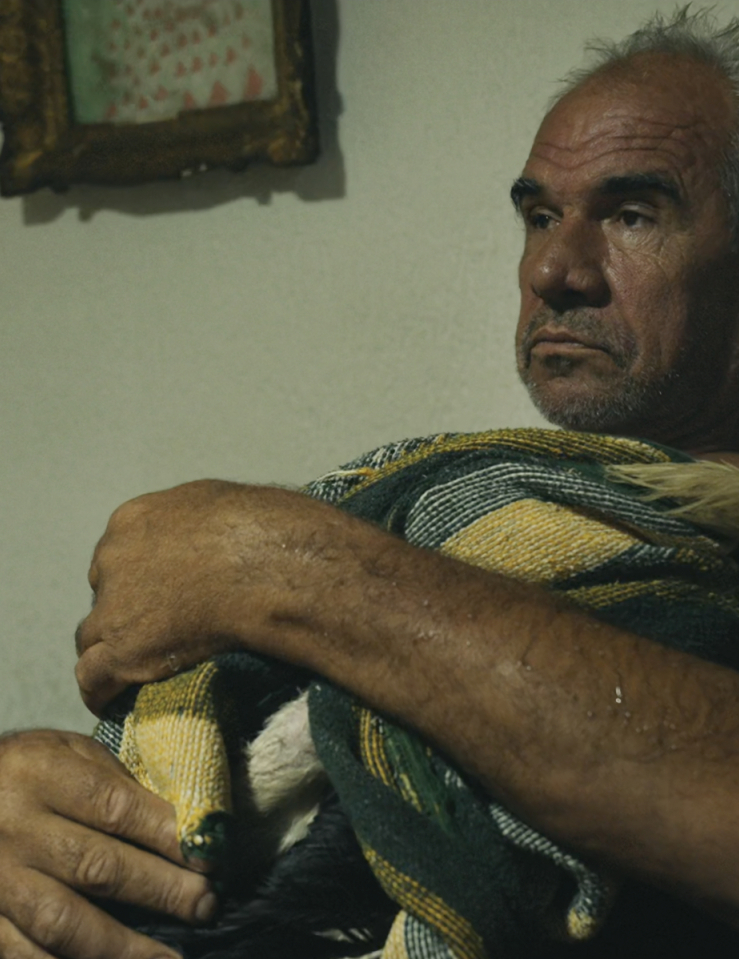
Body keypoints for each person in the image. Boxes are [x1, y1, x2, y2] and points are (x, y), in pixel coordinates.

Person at [3, 7, 739, 958]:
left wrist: (286, 569)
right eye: (539, 216)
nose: (555, 270)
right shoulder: (467, 506)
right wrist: (42, 805)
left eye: (633, 214)